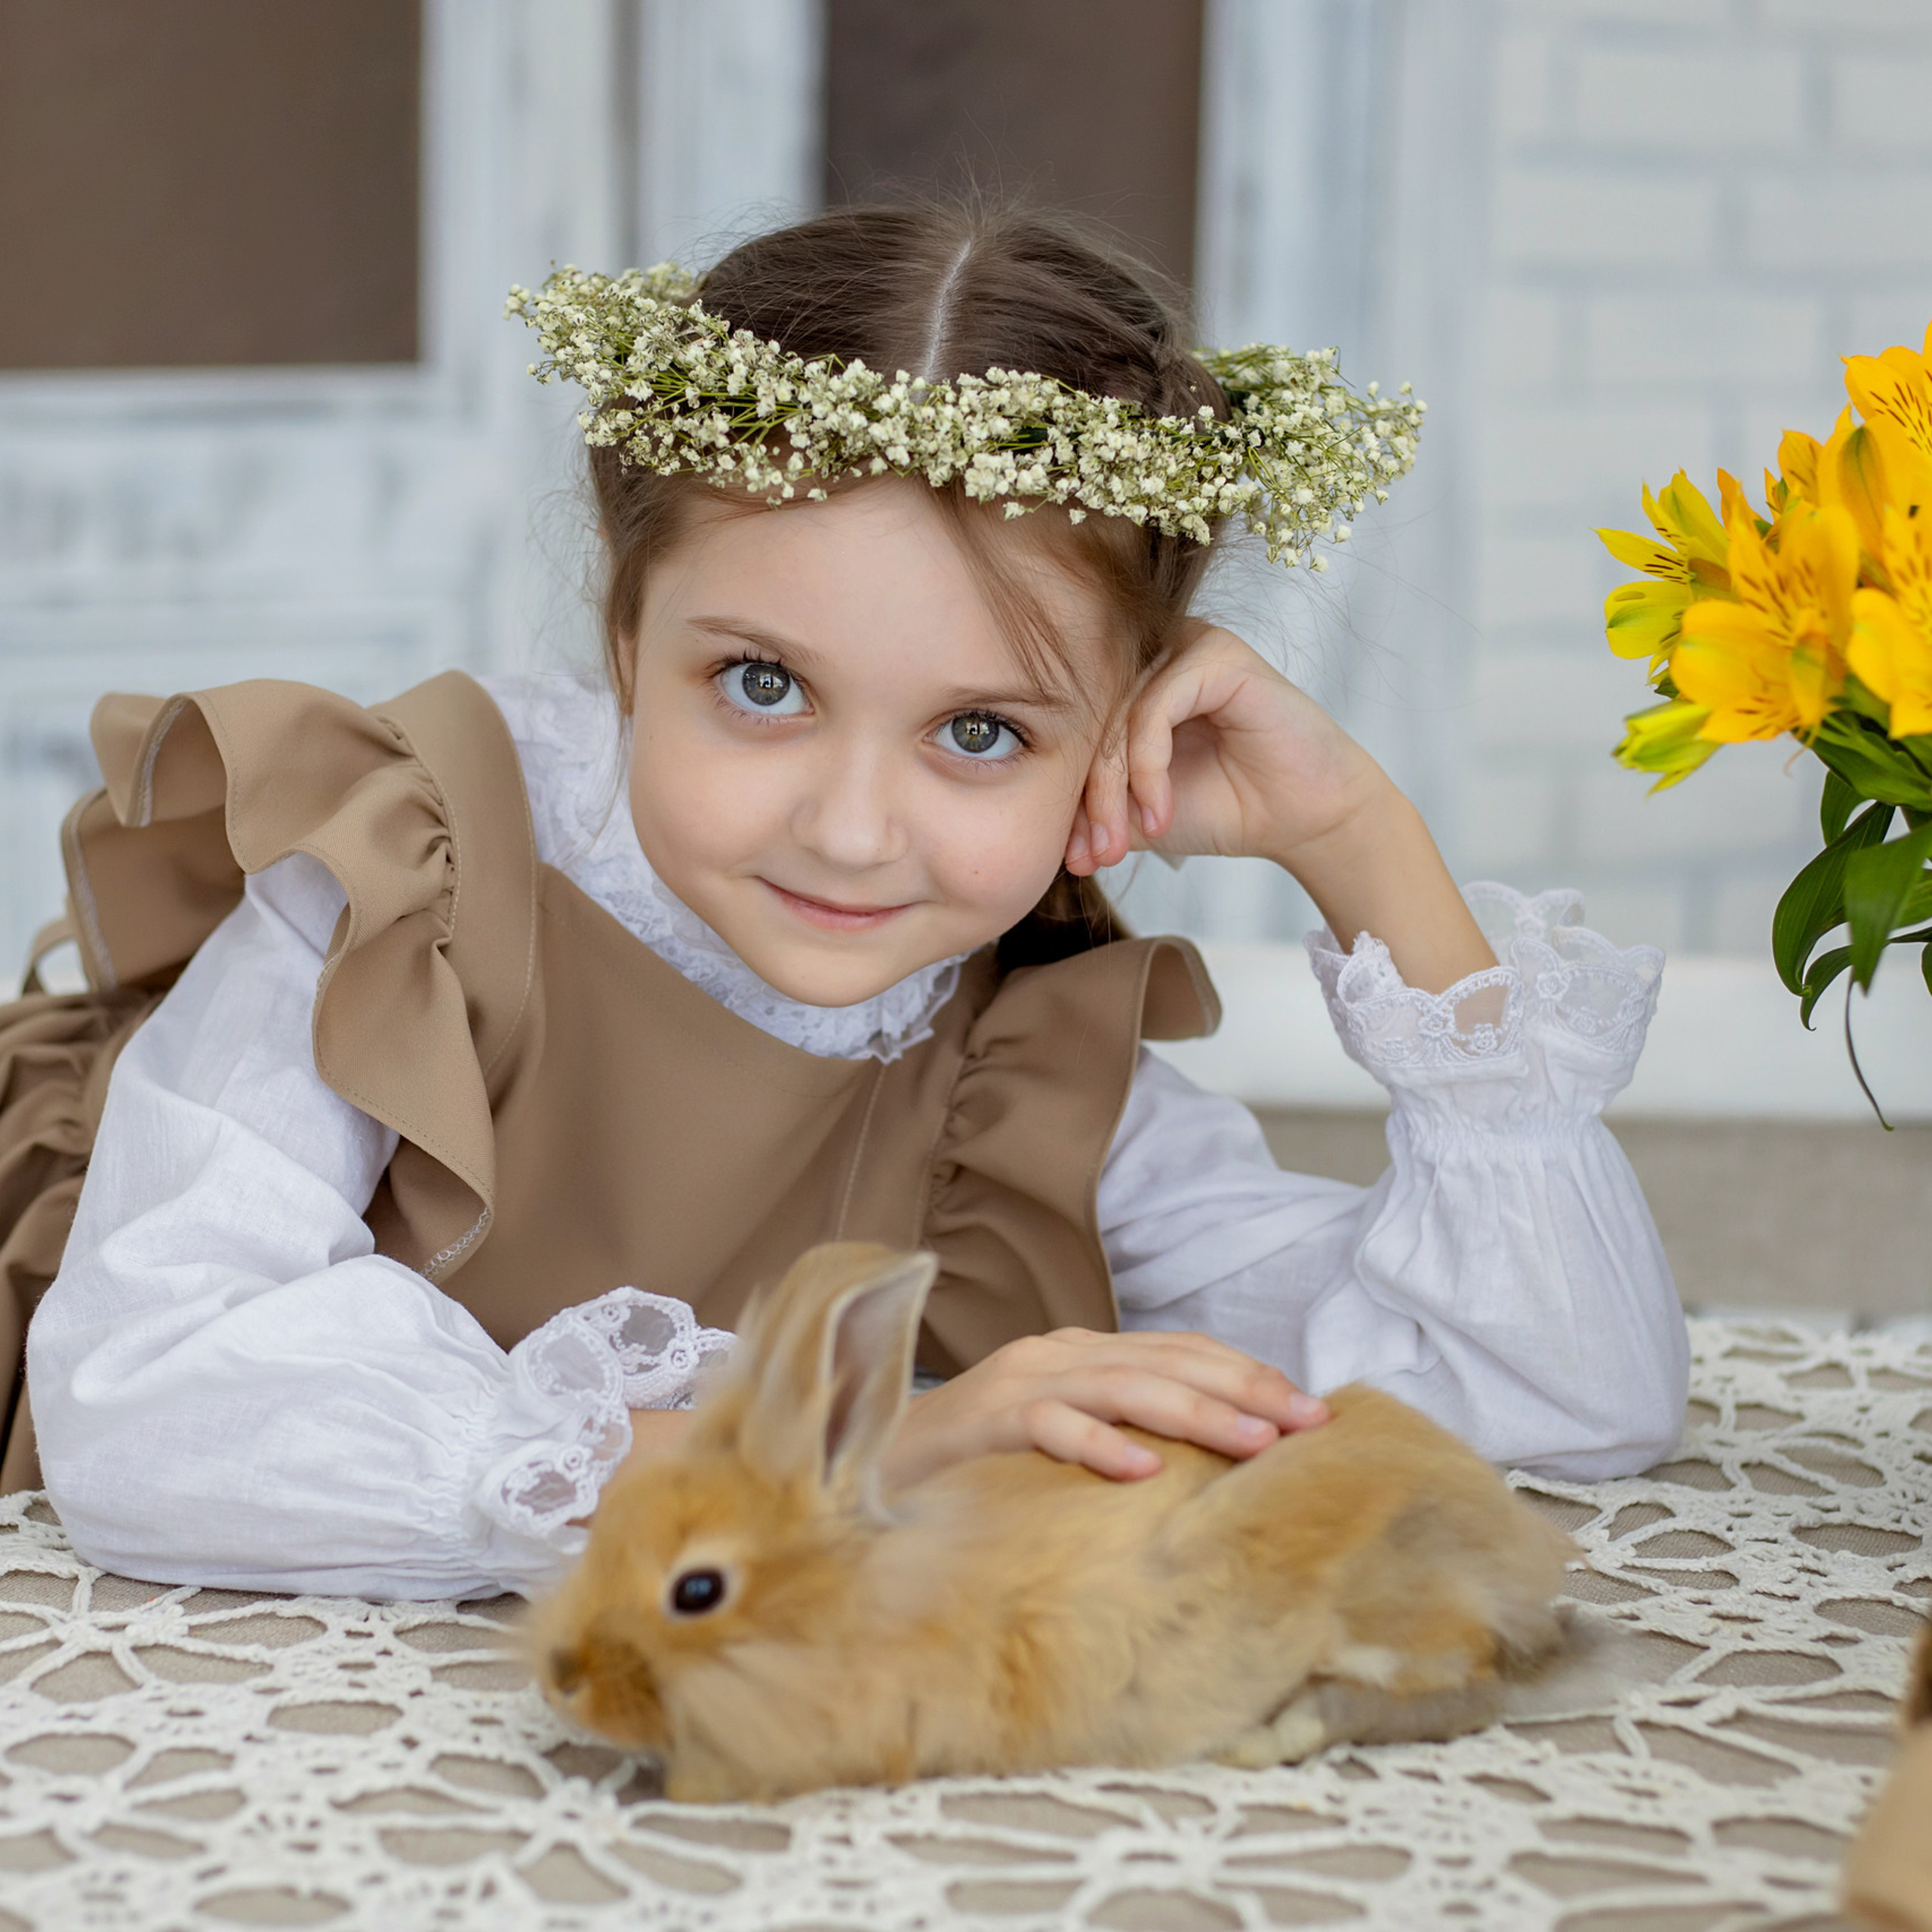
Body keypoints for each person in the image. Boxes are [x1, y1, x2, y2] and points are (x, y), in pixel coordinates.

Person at [15, 205, 1686, 1601]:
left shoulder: (1011, 1056)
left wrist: (1359, 838)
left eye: (979, 731)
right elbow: (145, 1404)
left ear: (1113, 745)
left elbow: (1554, 1392)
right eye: (760, 683)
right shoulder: (406, 876)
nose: (852, 826)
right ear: (622, 637)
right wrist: (830, 1448)